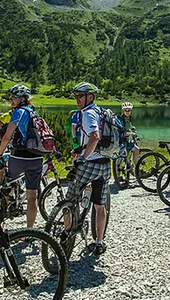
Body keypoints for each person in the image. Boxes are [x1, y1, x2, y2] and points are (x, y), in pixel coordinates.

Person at [69, 82, 110, 255]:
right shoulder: (102, 111)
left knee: (69, 200)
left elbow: (94, 137)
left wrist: (83, 158)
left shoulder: (87, 113)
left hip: (91, 163)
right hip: (105, 163)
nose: (77, 99)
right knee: (100, 206)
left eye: (80, 96)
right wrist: (82, 148)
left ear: (90, 97)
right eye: (76, 96)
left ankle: (66, 237)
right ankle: (99, 242)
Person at [0, 84, 42, 228]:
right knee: (32, 196)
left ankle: (2, 219)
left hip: (19, 156)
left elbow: (6, 137)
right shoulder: (33, 112)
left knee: (6, 185)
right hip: (36, 157)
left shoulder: (18, 112)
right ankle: (30, 229)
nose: (11, 100)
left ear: (22, 99)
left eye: (13, 97)